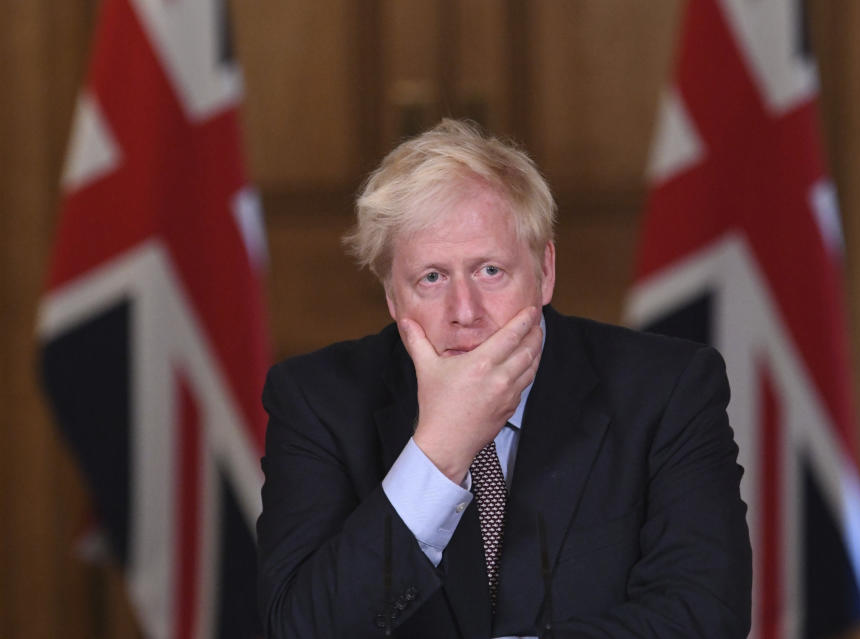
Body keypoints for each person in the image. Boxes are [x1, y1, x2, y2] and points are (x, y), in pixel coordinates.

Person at [256, 119, 751, 638]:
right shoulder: (315, 401)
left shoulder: (667, 389)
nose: (464, 312)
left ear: (545, 271)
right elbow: (298, 629)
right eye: (431, 278)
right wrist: (438, 453)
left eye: (490, 270)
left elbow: (705, 616)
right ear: (391, 297)